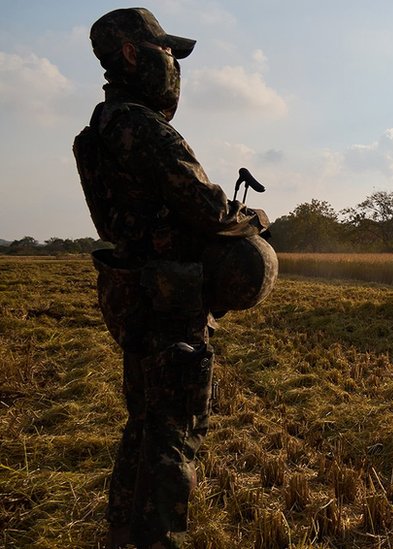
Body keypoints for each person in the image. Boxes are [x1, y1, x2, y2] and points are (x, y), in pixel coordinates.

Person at [73, 8, 272, 548]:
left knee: (143, 416)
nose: (173, 65)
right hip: (168, 303)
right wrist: (254, 219)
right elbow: (208, 208)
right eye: (166, 53)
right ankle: (154, 536)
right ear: (134, 55)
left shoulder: (96, 132)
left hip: (131, 295)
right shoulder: (143, 127)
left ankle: (122, 530)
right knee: (175, 423)